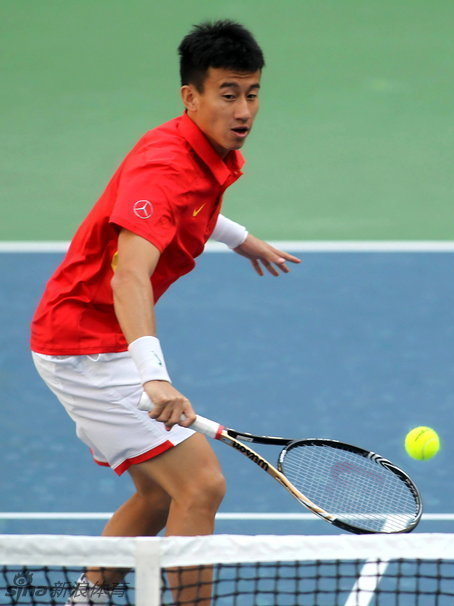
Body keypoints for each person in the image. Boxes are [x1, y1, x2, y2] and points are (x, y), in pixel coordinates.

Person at [30, 19, 300, 604]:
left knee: (159, 494)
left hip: (94, 339)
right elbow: (129, 273)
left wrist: (241, 238)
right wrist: (153, 376)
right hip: (84, 346)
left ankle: (86, 600)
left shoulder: (202, 149)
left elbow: (191, 207)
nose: (244, 109)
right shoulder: (165, 163)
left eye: (252, 93)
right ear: (191, 97)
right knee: (201, 485)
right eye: (227, 94)